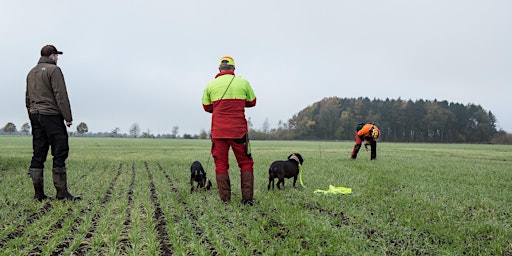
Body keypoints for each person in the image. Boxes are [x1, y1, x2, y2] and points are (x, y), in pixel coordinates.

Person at [25, 45, 80, 201]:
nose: (57, 58)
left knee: (38, 152)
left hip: (35, 115)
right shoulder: (54, 70)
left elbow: (27, 98)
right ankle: (62, 192)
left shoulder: (31, 72)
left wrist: (32, 115)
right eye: (56, 56)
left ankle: (38, 194)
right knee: (60, 150)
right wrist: (67, 117)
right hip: (51, 115)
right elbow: (60, 94)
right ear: (52, 56)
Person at [202, 56, 257, 205]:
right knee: (246, 163)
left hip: (218, 133)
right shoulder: (243, 82)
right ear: (233, 69)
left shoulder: (210, 85)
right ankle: (247, 199)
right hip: (239, 131)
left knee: (221, 165)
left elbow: (207, 107)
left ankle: (225, 200)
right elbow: (252, 102)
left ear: (219, 69)